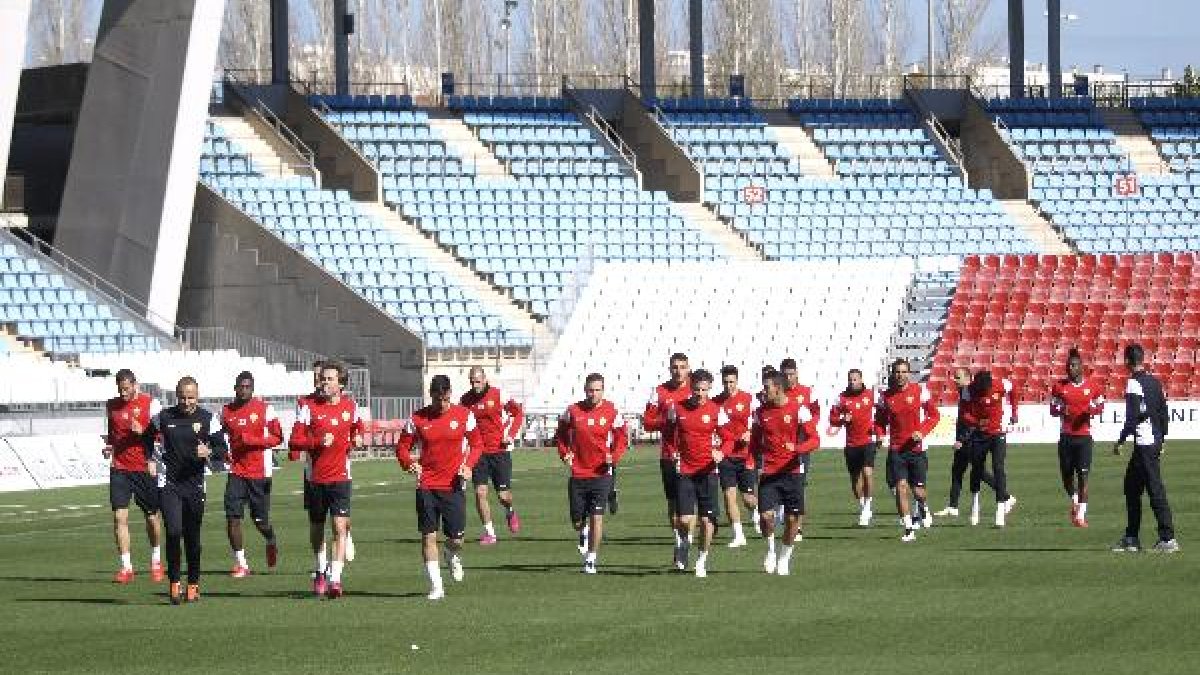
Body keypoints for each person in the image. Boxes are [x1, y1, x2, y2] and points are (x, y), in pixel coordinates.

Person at [396, 375, 482, 600]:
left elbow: (477, 445)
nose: (441, 404)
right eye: (437, 399)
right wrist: (409, 463)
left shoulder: (465, 415)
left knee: (456, 539)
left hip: (453, 485)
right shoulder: (417, 418)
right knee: (428, 537)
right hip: (426, 484)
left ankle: (451, 554)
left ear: (450, 394)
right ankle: (436, 586)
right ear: (431, 395)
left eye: (445, 399)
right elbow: (402, 448)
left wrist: (469, 466)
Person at [144, 377, 228, 604]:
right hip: (168, 484)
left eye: (191, 397)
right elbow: (146, 438)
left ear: (197, 396)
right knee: (173, 531)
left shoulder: (209, 419)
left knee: (192, 537)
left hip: (195, 485)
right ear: (176, 395)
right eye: (182, 397)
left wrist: (209, 452)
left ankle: (193, 583)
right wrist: (150, 459)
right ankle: (174, 582)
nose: (186, 401)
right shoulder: (163, 417)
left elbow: (222, 449)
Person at [288, 361, 362, 599]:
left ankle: (336, 579)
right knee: (317, 529)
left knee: (339, 527)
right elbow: (294, 441)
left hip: (341, 476)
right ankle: (320, 569)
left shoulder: (351, 407)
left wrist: (358, 436)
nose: (324, 382)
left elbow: (357, 426)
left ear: (340, 384)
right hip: (315, 478)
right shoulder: (308, 406)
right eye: (323, 378)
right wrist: (318, 443)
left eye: (329, 379)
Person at [555, 373, 629, 574]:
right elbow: (560, 434)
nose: (594, 394)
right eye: (590, 390)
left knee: (597, 516)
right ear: (585, 390)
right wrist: (564, 453)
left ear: (603, 391)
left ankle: (591, 559)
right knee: (577, 521)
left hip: (601, 473)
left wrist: (613, 457)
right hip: (578, 474)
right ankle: (582, 531)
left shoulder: (612, 412)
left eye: (598, 390)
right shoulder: (572, 411)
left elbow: (622, 438)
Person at [1112, 344, 1179, 553]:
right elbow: (1163, 412)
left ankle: (1167, 538)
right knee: (1131, 487)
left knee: (1154, 489)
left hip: (1144, 444)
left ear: (1127, 362)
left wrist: (1120, 441)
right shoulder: (1154, 381)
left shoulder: (1133, 384)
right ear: (1143, 359)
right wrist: (1163, 439)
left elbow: (1132, 419)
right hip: (1153, 441)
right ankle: (1132, 537)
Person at [666, 369, 732, 577]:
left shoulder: (716, 411)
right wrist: (673, 453)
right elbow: (667, 434)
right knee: (685, 520)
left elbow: (729, 438)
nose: (700, 394)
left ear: (710, 389)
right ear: (690, 387)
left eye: (704, 390)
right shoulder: (677, 409)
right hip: (685, 471)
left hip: (708, 472)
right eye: (697, 389)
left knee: (706, 521)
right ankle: (684, 544)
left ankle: (702, 559)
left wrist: (721, 452)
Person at [752, 371, 817, 575]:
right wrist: (753, 464)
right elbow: (754, 443)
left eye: (767, 387)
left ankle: (784, 557)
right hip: (769, 472)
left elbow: (815, 439)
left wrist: (796, 449)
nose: (764, 390)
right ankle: (771, 550)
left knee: (791, 521)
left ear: (778, 388)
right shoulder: (760, 413)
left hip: (792, 472)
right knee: (766, 516)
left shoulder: (800, 410)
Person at [220, 371, 284, 577]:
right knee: (232, 518)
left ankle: (271, 539)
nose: (244, 390)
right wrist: (223, 452)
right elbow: (220, 436)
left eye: (248, 387)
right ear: (235, 388)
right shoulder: (226, 411)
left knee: (259, 521)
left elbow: (278, 438)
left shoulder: (265, 409)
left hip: (260, 473)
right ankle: (241, 564)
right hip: (237, 471)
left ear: (253, 389)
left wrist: (253, 441)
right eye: (241, 386)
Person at [103, 369, 163, 584]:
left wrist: (144, 431)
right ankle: (126, 567)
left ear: (135, 385)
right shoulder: (111, 405)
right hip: (119, 468)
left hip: (144, 468)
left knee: (151, 517)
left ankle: (156, 559)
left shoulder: (151, 404)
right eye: (120, 389)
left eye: (127, 389)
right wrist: (109, 447)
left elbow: (162, 434)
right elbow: (112, 433)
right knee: (120, 517)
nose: (123, 394)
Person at [873, 359, 940, 542]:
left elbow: (934, 416)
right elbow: (879, 421)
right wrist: (879, 435)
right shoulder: (885, 396)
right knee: (901, 488)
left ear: (909, 373)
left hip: (917, 449)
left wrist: (923, 431)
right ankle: (908, 528)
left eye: (904, 372)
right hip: (896, 450)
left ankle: (923, 505)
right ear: (892, 374)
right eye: (897, 372)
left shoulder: (920, 391)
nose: (900, 375)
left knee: (918, 492)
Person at [460, 366, 525, 545]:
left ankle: (509, 510)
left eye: (478, 381)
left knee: (503, 496)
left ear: (485, 379)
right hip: (479, 453)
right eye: (472, 382)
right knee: (480, 492)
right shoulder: (465, 400)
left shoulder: (499, 395)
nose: (475, 385)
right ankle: (490, 533)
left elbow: (518, 413)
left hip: (499, 451)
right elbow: (462, 425)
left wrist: (510, 435)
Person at [642, 353, 692, 550]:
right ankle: (679, 542)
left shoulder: (696, 390)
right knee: (673, 502)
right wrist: (666, 421)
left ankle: (687, 540)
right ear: (669, 369)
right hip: (669, 455)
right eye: (675, 367)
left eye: (682, 367)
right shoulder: (659, 392)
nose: (678, 371)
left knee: (689, 503)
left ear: (689, 368)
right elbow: (646, 423)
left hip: (693, 456)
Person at [1050, 349, 1105, 528]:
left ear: (1082, 367)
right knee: (1066, 476)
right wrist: (1061, 410)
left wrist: (1092, 411)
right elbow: (1052, 409)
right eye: (1068, 365)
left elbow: (1101, 406)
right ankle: (1074, 500)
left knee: (1083, 476)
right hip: (1066, 438)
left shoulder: (1093, 386)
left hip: (1084, 439)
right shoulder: (1059, 387)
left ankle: (1081, 515)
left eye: (1073, 365)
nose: (1070, 368)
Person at [935, 368, 996, 520]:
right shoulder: (964, 392)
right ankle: (953, 506)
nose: (954, 380)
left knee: (978, 471)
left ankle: (1005, 496)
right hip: (963, 437)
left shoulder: (970, 393)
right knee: (957, 471)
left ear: (968, 378)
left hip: (969, 439)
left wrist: (962, 439)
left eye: (958, 377)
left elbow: (973, 420)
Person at [960, 370, 1019, 527]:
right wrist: (976, 422)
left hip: (998, 433)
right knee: (977, 470)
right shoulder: (968, 390)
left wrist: (1014, 412)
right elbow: (964, 413)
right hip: (979, 435)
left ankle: (1000, 510)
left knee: (998, 468)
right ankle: (975, 504)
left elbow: (1014, 390)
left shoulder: (1001, 384)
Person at [713, 365, 758, 547]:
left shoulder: (748, 399)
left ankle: (755, 511)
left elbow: (758, 421)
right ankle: (738, 535)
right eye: (725, 382)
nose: (728, 385)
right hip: (726, 455)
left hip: (746, 455)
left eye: (732, 382)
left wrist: (751, 433)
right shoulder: (716, 402)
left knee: (748, 499)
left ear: (737, 381)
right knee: (728, 495)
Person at [829, 369, 877, 527]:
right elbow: (833, 417)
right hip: (851, 444)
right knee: (855, 481)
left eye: (855, 379)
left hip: (868, 441)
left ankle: (868, 505)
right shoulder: (841, 398)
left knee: (868, 473)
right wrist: (843, 418)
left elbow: (883, 410)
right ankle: (863, 506)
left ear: (861, 379)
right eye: (850, 380)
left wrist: (880, 430)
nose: (852, 382)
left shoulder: (871, 394)